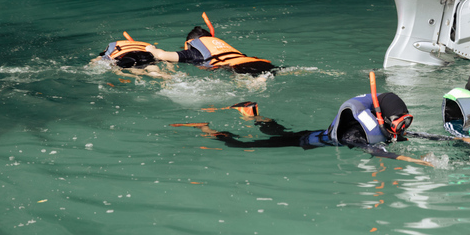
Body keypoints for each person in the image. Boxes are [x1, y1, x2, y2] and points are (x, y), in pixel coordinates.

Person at [172, 92, 433, 167]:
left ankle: (253, 113)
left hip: (316, 133)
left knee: (277, 132)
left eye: (405, 122)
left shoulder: (380, 124)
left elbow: (413, 135)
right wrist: (416, 161)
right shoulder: (352, 134)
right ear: (381, 118)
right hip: (307, 141)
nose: (402, 128)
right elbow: (376, 152)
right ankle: (207, 128)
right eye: (398, 122)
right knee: (246, 144)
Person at [145, 12, 275, 76]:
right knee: (262, 77)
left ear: (189, 43)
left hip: (241, 70)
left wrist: (151, 48)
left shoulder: (193, 52)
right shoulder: (223, 46)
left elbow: (162, 55)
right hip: (262, 64)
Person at [92, 31, 172, 79]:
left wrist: (93, 62)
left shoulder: (110, 49)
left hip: (128, 58)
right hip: (146, 55)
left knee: (132, 68)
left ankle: (145, 74)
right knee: (151, 66)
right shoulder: (142, 45)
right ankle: (163, 75)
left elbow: (98, 60)